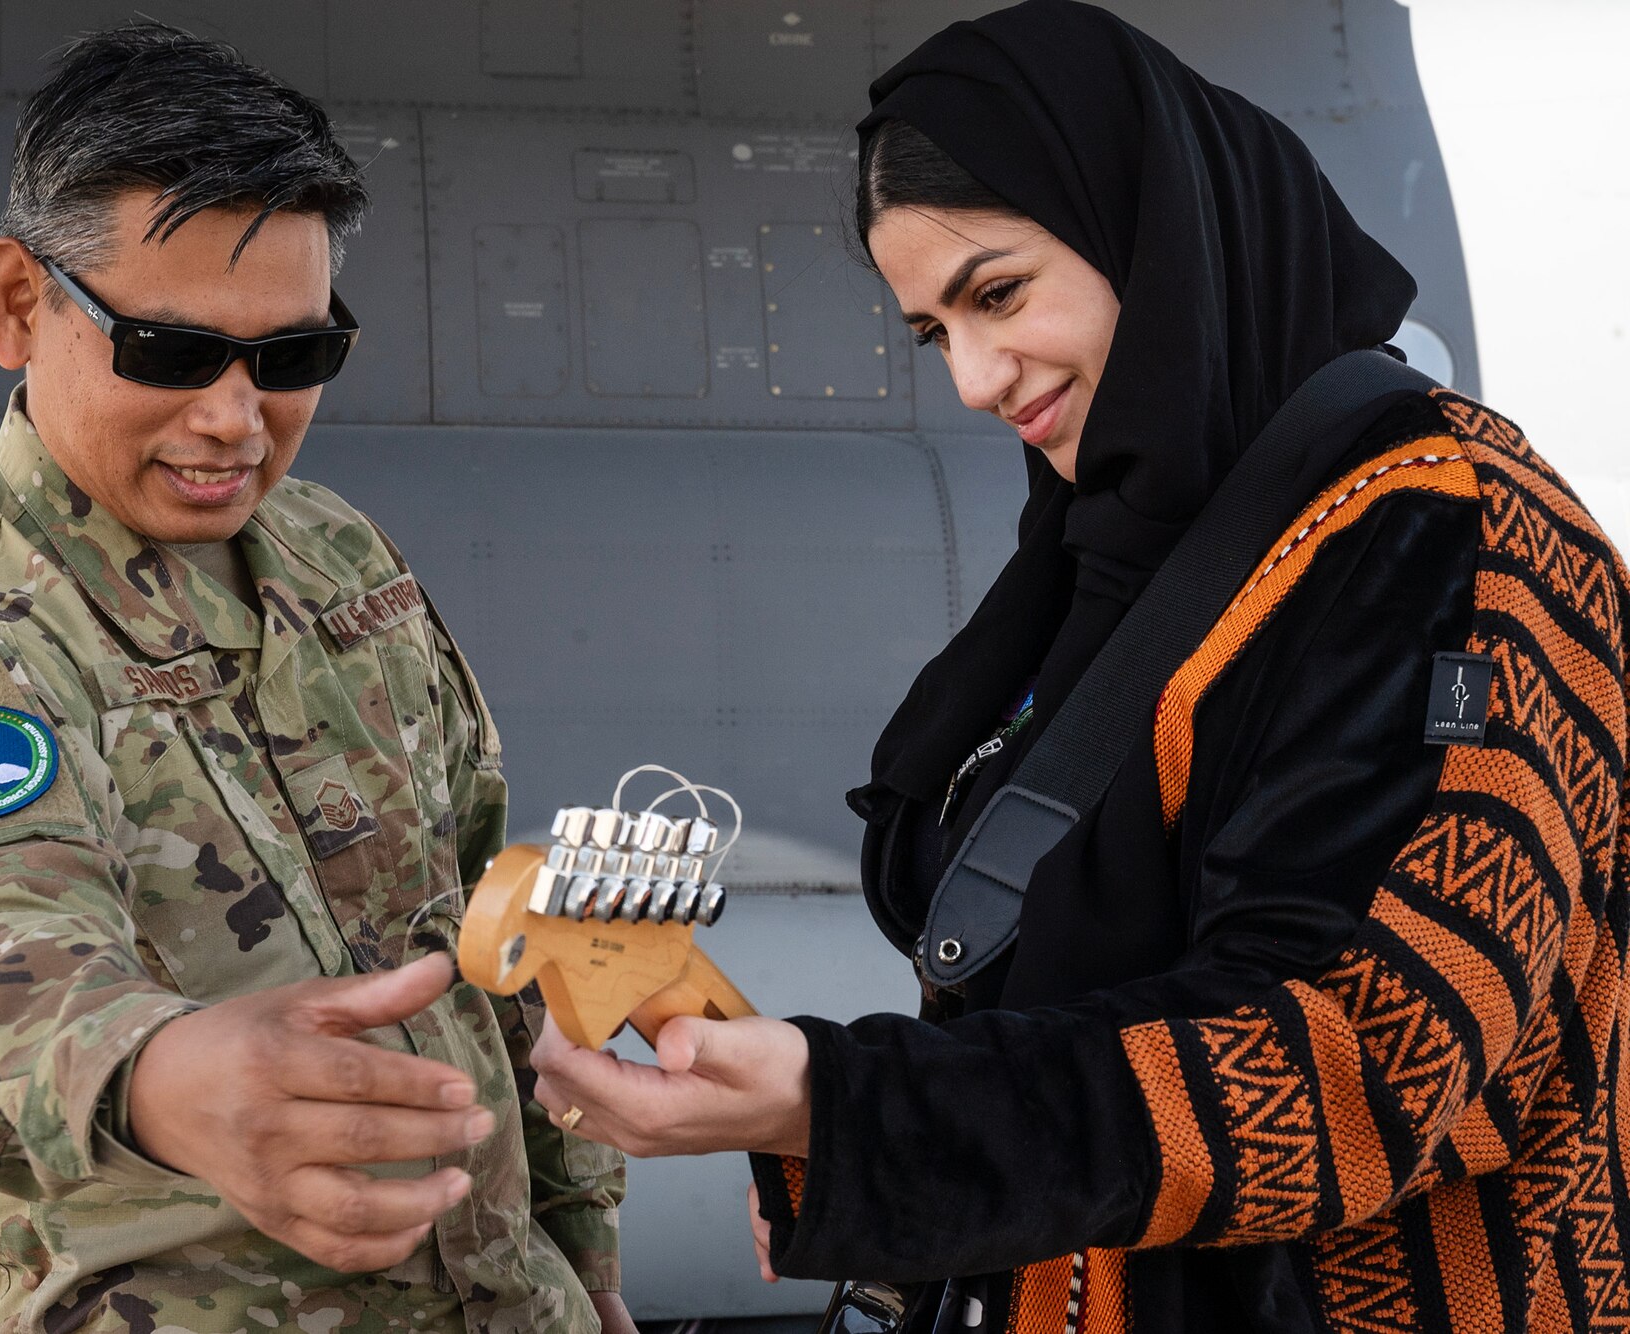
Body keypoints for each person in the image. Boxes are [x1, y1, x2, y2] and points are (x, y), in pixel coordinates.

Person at [529, 2, 1630, 1330]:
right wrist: (849, 1134)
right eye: (935, 332)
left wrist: (850, 1100)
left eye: (997, 294)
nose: (976, 381)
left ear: (1147, 228)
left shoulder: (1451, 535)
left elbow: (1357, 1055)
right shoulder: (1131, 554)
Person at [0, 24, 631, 1334]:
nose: (236, 419)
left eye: (292, 357)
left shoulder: (336, 554)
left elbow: (494, 930)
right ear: (20, 303)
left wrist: (586, 1264)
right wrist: (167, 1072)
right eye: (176, 353)